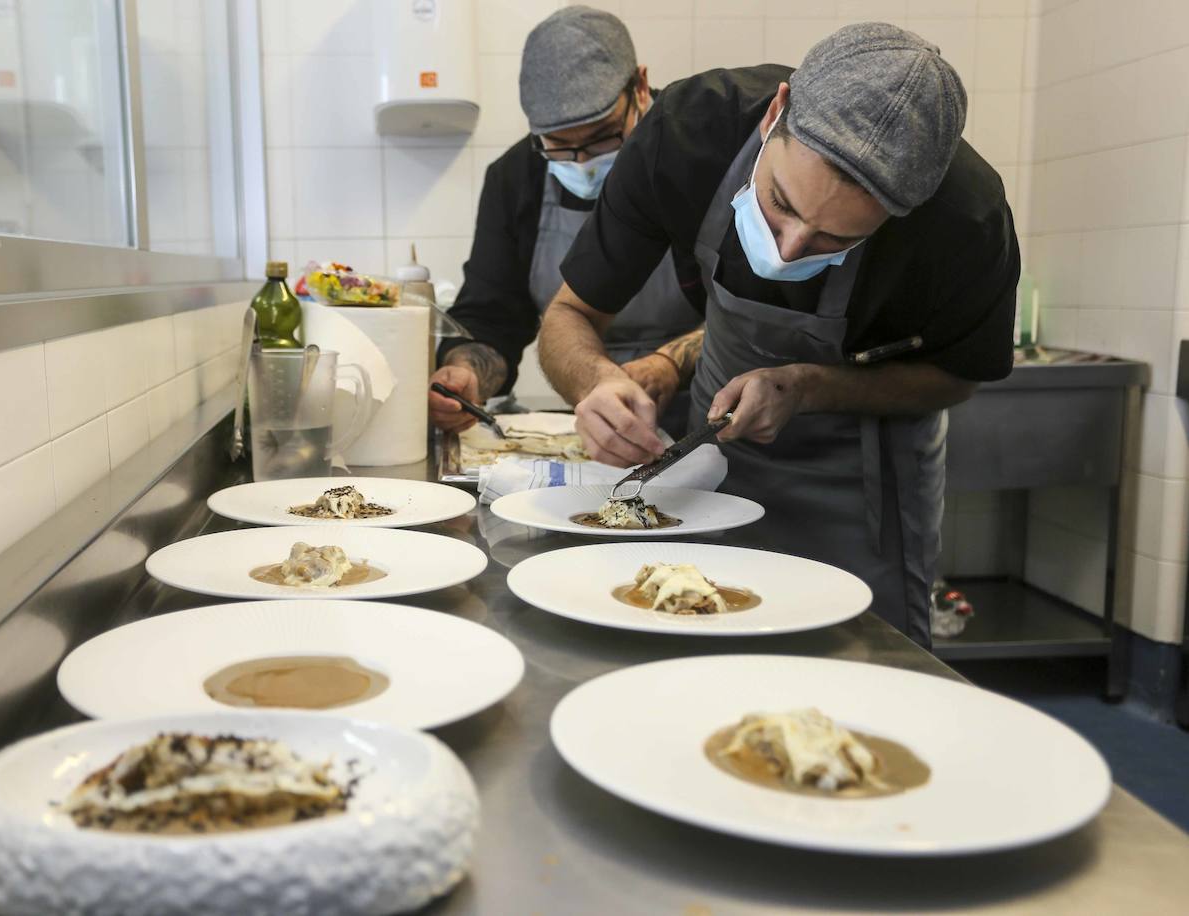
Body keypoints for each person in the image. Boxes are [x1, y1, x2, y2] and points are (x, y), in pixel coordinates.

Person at [536, 23, 1020, 646]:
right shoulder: (690, 135)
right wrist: (596, 382)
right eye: (781, 204)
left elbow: (958, 376)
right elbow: (568, 317)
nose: (790, 249)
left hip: (861, 481)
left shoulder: (964, 221)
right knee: (695, 636)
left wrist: (807, 387)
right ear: (775, 115)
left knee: (864, 661)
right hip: (719, 461)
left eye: (834, 240)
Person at [429, 5, 705, 437]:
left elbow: (752, 310)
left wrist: (667, 364)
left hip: (712, 414)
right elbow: (492, 315)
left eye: (603, 138)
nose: (583, 163)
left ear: (641, 86)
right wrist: (466, 372)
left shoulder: (698, 152)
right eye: (559, 147)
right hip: (593, 422)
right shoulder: (515, 177)